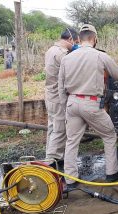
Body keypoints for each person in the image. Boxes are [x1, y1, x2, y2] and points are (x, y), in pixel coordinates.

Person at [58, 24, 118, 187]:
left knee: (72, 141)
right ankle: (112, 172)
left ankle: (70, 180)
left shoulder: (66, 58)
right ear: (94, 38)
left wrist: (66, 107)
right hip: (91, 104)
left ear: (79, 39)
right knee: (109, 135)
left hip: (72, 103)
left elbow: (60, 86)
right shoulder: (100, 56)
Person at [44, 27, 79, 169]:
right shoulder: (62, 54)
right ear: (70, 39)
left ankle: (49, 156)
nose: (76, 45)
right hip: (58, 97)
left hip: (50, 95)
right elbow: (70, 75)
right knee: (59, 130)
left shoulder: (51, 50)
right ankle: (51, 163)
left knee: (52, 128)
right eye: (75, 42)